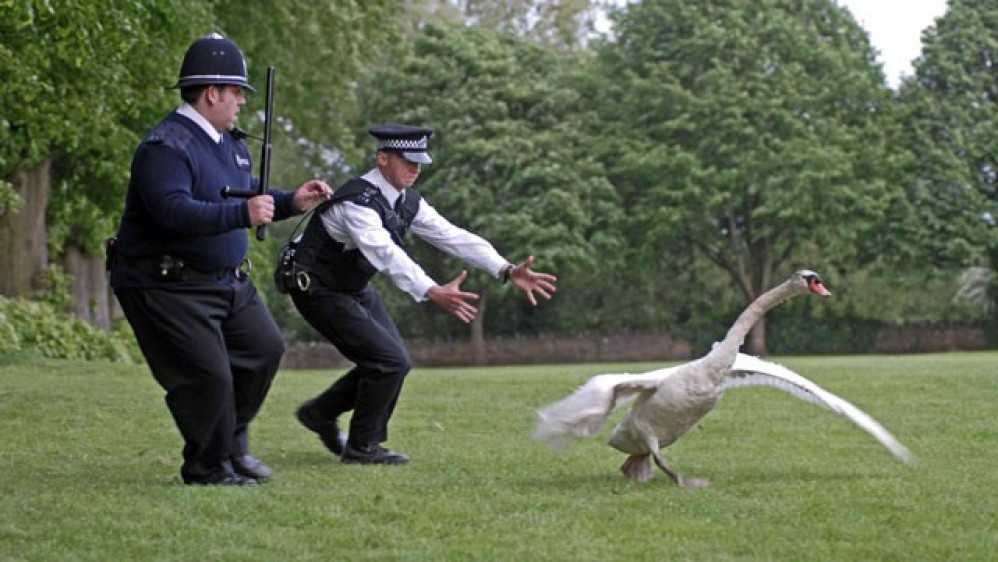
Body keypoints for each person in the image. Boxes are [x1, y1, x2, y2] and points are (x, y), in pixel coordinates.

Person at [108, 33, 332, 486]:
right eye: (237, 93)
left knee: (263, 351)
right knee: (208, 379)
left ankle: (230, 447)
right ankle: (207, 467)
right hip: (165, 283)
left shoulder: (230, 144)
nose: (242, 104)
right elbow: (173, 212)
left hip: (225, 280)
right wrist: (242, 213)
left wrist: (292, 201)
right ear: (212, 93)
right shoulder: (165, 147)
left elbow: (245, 198)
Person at [289, 124, 558, 465]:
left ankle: (320, 414)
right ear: (383, 158)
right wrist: (431, 290)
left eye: (420, 162)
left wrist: (505, 269)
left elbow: (452, 236)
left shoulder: (404, 201)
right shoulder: (358, 203)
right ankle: (361, 449)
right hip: (317, 290)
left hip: (350, 287)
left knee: (393, 362)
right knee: (389, 361)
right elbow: (387, 254)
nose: (416, 169)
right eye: (408, 161)